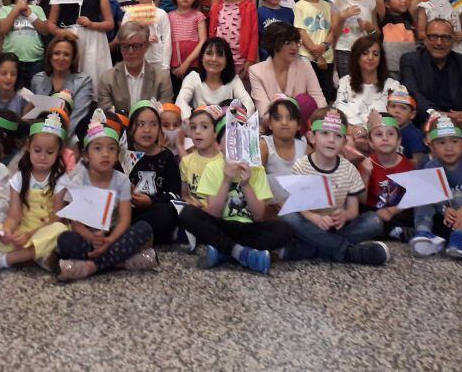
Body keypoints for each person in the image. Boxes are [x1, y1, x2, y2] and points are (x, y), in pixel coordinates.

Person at [178, 106, 292, 274]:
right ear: (219, 145)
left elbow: (259, 216)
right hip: (222, 225)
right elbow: (213, 214)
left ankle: (224, 251)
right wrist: (226, 180)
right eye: (232, 138)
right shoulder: (213, 168)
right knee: (188, 214)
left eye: (243, 138)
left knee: (285, 230)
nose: (238, 143)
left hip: (248, 228)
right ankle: (239, 252)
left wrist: (246, 185)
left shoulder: (257, 169)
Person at [54, 111, 156, 281]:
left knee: (144, 229)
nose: (105, 154)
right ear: (86, 155)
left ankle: (91, 266)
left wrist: (109, 241)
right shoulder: (78, 180)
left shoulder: (121, 180)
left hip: (114, 236)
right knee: (65, 240)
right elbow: (76, 224)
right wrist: (92, 238)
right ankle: (121, 262)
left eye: (111, 148)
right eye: (98, 148)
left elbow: (125, 220)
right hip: (88, 237)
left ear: (117, 155)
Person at [280, 109, 389, 266]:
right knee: (288, 216)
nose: (331, 140)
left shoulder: (348, 169)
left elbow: (353, 210)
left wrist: (344, 215)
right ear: (312, 137)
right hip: (311, 224)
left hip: (338, 227)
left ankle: (310, 249)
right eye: (324, 133)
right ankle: (349, 252)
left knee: (374, 221)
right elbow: (299, 206)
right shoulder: (301, 166)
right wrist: (315, 218)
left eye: (338, 135)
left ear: (345, 142)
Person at [0, 112, 70, 272]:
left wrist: (30, 236)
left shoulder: (60, 179)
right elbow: (14, 215)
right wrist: (7, 231)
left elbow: (57, 218)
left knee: (60, 230)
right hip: (22, 232)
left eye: (50, 152)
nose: (42, 157)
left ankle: (6, 260)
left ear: (59, 151)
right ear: (28, 147)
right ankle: (36, 256)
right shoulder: (20, 178)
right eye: (37, 150)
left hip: (44, 232)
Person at [400, 19, 462, 158]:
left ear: (453, 40)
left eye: (445, 38)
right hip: (426, 119)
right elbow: (413, 93)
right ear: (425, 38)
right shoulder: (410, 60)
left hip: (461, 122)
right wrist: (436, 115)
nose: (439, 42)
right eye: (433, 36)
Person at [409, 114, 462, 260]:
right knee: (422, 197)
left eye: (454, 141)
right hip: (442, 219)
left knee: (460, 197)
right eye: (441, 143)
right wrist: (444, 209)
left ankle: (460, 238)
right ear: (431, 146)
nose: (449, 148)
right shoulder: (430, 167)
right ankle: (423, 232)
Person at [125, 100, 181, 245]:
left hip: (154, 211)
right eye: (141, 124)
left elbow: (175, 194)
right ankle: (133, 237)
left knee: (167, 212)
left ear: (159, 129)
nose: (147, 130)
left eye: (153, 124)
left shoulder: (167, 157)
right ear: (131, 128)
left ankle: (133, 237)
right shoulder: (123, 155)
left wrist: (151, 201)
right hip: (128, 213)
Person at [248, 22, 327, 124]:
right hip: (272, 127)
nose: (294, 47)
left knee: (305, 101)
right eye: (288, 43)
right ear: (273, 44)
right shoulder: (256, 71)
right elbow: (264, 112)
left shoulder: (305, 65)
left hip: (302, 125)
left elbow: (319, 100)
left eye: (296, 42)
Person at [95, 22, 174, 116]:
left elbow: (164, 115)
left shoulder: (162, 78)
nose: (130, 51)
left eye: (136, 46)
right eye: (125, 46)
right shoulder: (107, 78)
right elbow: (106, 117)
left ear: (146, 46)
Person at [30, 36, 96, 140]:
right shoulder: (37, 79)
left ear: (73, 58)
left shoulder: (83, 81)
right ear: (50, 56)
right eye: (56, 53)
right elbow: (33, 115)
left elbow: (77, 118)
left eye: (66, 54)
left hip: (69, 138)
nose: (61, 58)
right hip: (39, 137)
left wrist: (58, 140)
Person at [174, 37, 254, 119]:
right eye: (209, 53)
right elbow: (180, 102)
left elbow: (249, 105)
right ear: (201, 57)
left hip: (226, 129)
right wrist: (192, 121)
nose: (214, 59)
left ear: (227, 60)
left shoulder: (234, 80)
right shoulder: (193, 77)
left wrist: (232, 122)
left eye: (219, 55)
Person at [334, 36, 401, 128]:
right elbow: (339, 113)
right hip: (349, 136)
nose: (370, 57)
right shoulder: (345, 82)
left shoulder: (392, 86)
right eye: (365, 53)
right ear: (357, 57)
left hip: (381, 136)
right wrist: (355, 132)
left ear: (381, 58)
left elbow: (395, 119)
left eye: (375, 54)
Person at [209, 0, 258, 79]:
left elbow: (254, 35)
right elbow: (212, 33)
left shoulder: (248, 6)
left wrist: (250, 60)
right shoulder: (217, 6)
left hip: (240, 61)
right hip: (219, 59)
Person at [259, 96, 307, 203]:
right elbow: (255, 181)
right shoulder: (264, 145)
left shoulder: (303, 147)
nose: (284, 123)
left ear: (299, 125)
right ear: (270, 124)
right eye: (277, 118)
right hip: (270, 208)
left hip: (298, 205)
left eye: (290, 118)